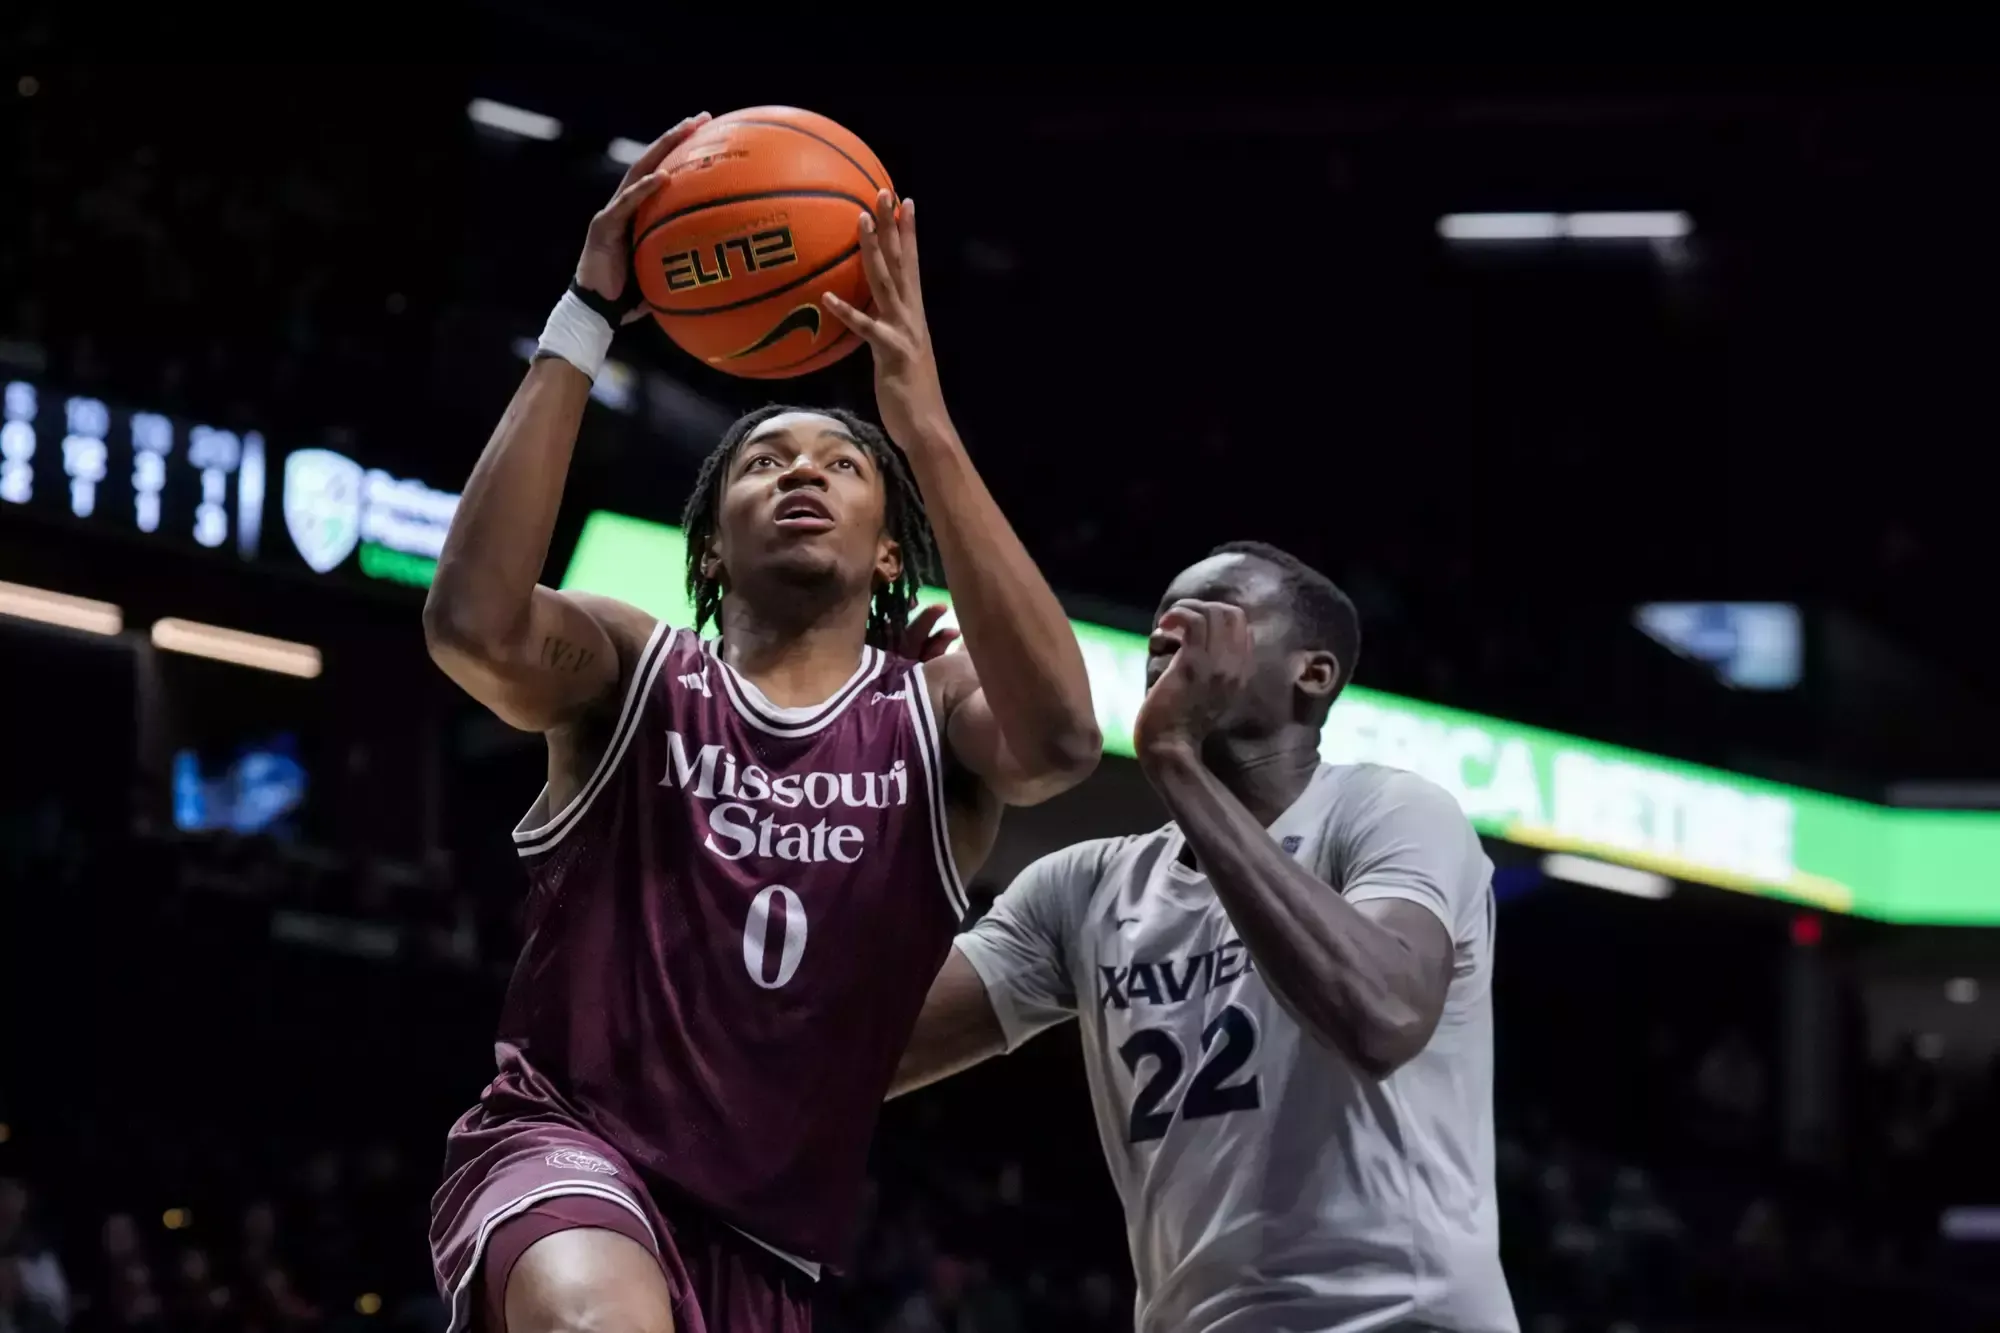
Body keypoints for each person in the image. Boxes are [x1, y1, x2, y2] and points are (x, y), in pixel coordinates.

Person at [422, 114, 1101, 1333]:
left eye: (838, 464)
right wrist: (583, 312)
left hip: (766, 1231)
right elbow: (473, 624)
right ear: (711, 543)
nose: (798, 471)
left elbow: (1057, 745)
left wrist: (922, 424)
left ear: (890, 545)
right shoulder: (633, 669)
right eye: (760, 463)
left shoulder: (930, 715)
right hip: (567, 1152)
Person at [894, 541, 1517, 1333]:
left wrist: (1173, 759)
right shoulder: (1085, 886)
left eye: (1217, 612)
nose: (1171, 632)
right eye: (1161, 621)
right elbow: (857, 1062)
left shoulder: (1388, 811)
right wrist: (866, 796)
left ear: (1311, 674)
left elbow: (1383, 1015)